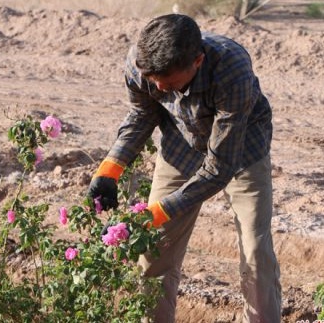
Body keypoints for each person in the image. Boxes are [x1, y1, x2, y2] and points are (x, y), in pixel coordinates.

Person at [87, 14, 281, 322]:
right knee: (154, 250)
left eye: (170, 81)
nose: (161, 87)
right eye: (154, 81)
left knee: (256, 252)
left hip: (242, 147)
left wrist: (156, 212)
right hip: (180, 143)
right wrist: (110, 170)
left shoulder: (231, 69)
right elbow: (141, 116)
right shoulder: (142, 64)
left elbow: (219, 167)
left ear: (198, 61)